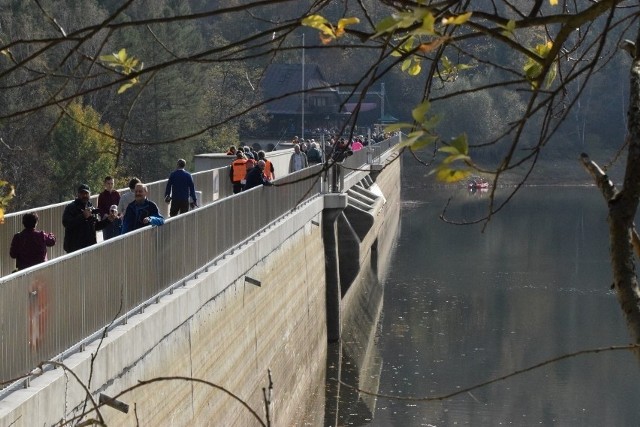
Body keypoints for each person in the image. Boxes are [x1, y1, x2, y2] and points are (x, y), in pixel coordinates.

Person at [62, 184, 109, 253]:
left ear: (90, 194)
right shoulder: (71, 207)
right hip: (74, 249)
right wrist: (82, 216)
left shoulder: (90, 207)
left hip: (89, 247)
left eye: (86, 193)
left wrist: (109, 220)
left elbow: (96, 226)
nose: (84, 195)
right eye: (82, 193)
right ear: (78, 194)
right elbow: (66, 223)